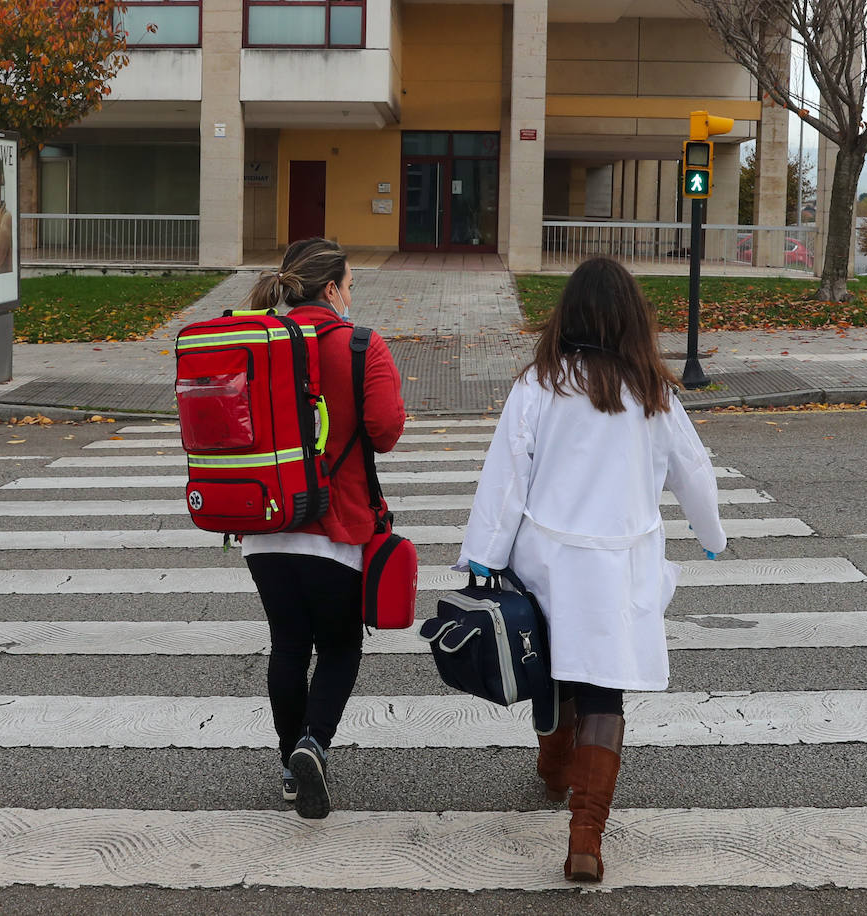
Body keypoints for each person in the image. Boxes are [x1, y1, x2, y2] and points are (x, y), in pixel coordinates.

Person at [457, 256, 727, 883]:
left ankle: (554, 771)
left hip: (548, 562)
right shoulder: (653, 391)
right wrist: (710, 535)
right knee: (605, 687)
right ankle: (586, 839)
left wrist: (483, 556)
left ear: (567, 315)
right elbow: (694, 472)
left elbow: (507, 479)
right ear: (632, 318)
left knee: (557, 668)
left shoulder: (541, 385)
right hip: (621, 564)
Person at [239, 237, 406, 819]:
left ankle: (290, 765)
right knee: (339, 645)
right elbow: (385, 431)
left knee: (288, 643)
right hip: (336, 529)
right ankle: (314, 742)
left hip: (263, 525)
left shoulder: (257, 342)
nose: (351, 296)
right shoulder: (360, 345)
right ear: (332, 289)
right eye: (351, 285)